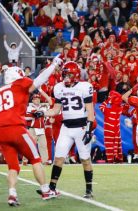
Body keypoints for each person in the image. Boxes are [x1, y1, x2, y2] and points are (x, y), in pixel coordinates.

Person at [0, 55, 63, 206]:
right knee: (35, 158)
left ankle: (12, 194)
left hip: (1, 132)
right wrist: (52, 66)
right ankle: (45, 190)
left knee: (13, 166)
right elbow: (39, 80)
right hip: (15, 128)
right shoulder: (19, 84)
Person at [36, 61, 95, 198]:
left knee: (85, 159)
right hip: (66, 127)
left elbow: (90, 111)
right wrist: (43, 113)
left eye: (68, 75)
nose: (66, 78)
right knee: (58, 158)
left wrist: (88, 130)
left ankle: (89, 189)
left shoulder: (85, 87)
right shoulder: (58, 87)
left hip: (81, 127)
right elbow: (56, 110)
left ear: (75, 75)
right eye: (64, 75)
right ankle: (51, 188)